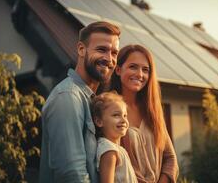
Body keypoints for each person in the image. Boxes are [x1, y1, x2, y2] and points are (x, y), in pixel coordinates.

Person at [39, 21, 120, 183]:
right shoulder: (68, 97)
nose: (109, 59)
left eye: (114, 53)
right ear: (81, 50)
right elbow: (72, 174)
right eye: (101, 49)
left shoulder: (91, 100)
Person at [110, 44, 179, 183]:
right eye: (133, 67)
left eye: (145, 70)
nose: (140, 74)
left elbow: (170, 158)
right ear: (118, 69)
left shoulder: (152, 110)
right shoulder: (107, 109)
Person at [91, 92, 138, 183]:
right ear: (99, 121)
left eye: (125, 115)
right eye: (116, 115)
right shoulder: (109, 150)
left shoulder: (117, 149)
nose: (124, 120)